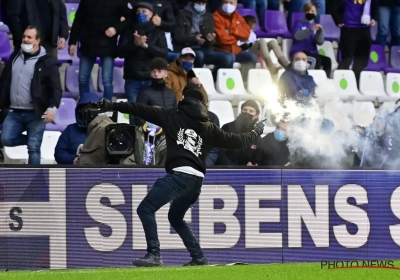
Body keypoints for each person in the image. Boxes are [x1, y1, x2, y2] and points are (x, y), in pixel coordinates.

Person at [96, 85, 265, 266]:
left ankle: (154, 254)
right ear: (202, 103)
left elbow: (139, 109)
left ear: (183, 98)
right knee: (175, 218)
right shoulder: (210, 127)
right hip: (196, 181)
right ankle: (198, 257)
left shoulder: (171, 116)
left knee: (145, 209)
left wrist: (112, 106)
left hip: (179, 175)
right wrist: (255, 132)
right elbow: (236, 141)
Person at [0, 26, 62, 164]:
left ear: (37, 41)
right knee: (5, 139)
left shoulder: (48, 62)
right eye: (24, 36)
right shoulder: (15, 56)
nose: (25, 40)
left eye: (29, 37)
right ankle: (33, 138)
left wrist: (52, 108)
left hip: (36, 112)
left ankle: (34, 183)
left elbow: (56, 88)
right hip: (15, 111)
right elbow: (4, 82)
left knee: (33, 148)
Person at [115, 2, 168, 124]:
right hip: (132, 78)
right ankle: (135, 139)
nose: (141, 14)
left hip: (151, 80)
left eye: (144, 11)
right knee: (134, 112)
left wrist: (145, 46)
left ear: (151, 14)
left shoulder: (158, 32)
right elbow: (120, 52)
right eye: (138, 11)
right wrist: (134, 44)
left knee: (152, 112)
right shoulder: (129, 31)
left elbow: (163, 53)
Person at [68, 0, 127, 100]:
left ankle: (107, 109)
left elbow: (129, 19)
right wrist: (72, 41)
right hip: (88, 44)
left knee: (107, 81)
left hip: (108, 45)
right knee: (82, 79)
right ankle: (84, 106)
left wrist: (116, 28)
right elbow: (78, 19)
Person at [174, 0, 235, 76]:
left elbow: (212, 41)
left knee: (229, 57)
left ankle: (213, 79)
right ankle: (194, 79)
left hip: (205, 48)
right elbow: (178, 36)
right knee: (199, 55)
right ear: (193, 3)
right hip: (188, 48)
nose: (201, 5)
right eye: (199, 3)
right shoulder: (182, 14)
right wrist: (194, 38)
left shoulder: (208, 16)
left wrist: (210, 39)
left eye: (203, 3)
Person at [331, 0, 379, 86]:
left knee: (361, 61)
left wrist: (375, 18)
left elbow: (375, 4)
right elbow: (333, 4)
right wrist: (337, 19)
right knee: (347, 59)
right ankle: (338, 85)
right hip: (348, 28)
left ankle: (355, 86)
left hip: (365, 29)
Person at [214, 0, 257, 81]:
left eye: (231, 3)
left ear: (236, 4)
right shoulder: (216, 17)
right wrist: (237, 37)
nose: (228, 5)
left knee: (251, 58)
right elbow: (222, 39)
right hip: (220, 50)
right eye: (225, 2)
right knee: (229, 58)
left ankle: (244, 83)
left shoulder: (237, 16)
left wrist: (233, 32)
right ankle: (220, 81)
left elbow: (247, 34)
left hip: (235, 50)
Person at [54, 92, 100, 164]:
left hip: (101, 172)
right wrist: (73, 159)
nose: (90, 112)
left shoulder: (106, 129)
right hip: (76, 172)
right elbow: (59, 153)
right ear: (79, 111)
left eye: (93, 109)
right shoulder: (70, 130)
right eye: (87, 108)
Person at [290, 2, 331, 77]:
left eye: (312, 11)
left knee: (327, 61)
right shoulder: (298, 23)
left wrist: (320, 33)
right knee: (316, 60)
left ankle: (325, 81)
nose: (310, 13)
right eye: (308, 11)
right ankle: (311, 81)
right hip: (299, 52)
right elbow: (297, 36)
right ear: (304, 12)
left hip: (312, 52)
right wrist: (310, 30)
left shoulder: (315, 25)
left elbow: (320, 42)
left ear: (316, 13)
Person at [216, 100, 260, 166]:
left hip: (244, 173)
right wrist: (232, 168)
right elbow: (219, 152)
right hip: (225, 170)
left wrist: (253, 164)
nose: (247, 112)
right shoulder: (227, 128)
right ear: (241, 111)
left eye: (251, 111)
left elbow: (257, 158)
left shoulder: (257, 136)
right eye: (245, 110)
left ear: (256, 115)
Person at [135, 57, 177, 125]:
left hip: (169, 132)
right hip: (151, 132)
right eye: (153, 71)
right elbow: (138, 117)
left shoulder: (171, 94)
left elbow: (176, 116)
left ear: (166, 73)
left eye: (159, 71)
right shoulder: (144, 93)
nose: (156, 74)